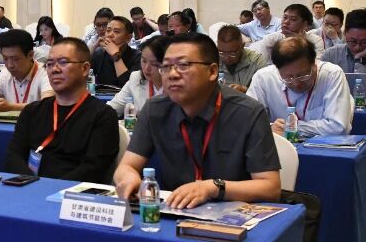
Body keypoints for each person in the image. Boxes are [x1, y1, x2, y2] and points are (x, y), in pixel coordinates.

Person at [113, 32, 282, 206]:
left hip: (232, 212)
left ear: (212, 71)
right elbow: (126, 166)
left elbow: (270, 188)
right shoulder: (154, 110)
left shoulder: (247, 112)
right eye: (166, 67)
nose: (172, 74)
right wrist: (128, 178)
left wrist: (213, 187)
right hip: (176, 209)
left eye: (183, 65)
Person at [4, 37, 120, 181]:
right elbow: (13, 156)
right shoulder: (32, 111)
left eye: (63, 62)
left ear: (84, 68)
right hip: (29, 186)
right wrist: (32, 184)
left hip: (71, 191)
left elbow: (93, 168)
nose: (55, 69)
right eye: (50, 64)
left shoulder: (102, 115)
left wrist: (51, 188)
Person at [246, 36, 352, 138]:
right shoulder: (263, 78)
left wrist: (291, 128)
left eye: (303, 76)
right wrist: (269, 128)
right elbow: (248, 122)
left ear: (314, 63)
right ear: (277, 69)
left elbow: (339, 127)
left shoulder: (332, 74)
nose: (296, 83)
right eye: (288, 78)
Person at [0, 29, 53, 112]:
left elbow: (47, 105)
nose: (10, 65)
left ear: (30, 55)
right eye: (5, 58)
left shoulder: (46, 73)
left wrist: (11, 107)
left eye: (15, 59)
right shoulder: (5, 73)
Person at [108, 34, 167, 116]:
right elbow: (114, 106)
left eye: (154, 64)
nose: (147, 68)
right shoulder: (136, 77)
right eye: (144, 61)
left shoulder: (175, 85)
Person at [254, 3, 324, 59]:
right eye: (285, 17)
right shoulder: (271, 39)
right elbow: (263, 65)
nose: (286, 22)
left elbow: (316, 64)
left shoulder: (315, 40)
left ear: (304, 24)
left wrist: (300, 42)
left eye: (293, 19)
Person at [90, 15, 140, 88]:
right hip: (102, 94)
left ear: (128, 38)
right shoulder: (99, 54)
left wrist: (115, 55)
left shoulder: (137, 57)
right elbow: (86, 79)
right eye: (108, 30)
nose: (110, 35)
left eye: (116, 32)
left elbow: (129, 87)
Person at [215, 24, 267, 93]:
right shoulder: (212, 60)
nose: (226, 57)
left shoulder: (256, 62)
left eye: (232, 53)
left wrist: (246, 91)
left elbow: (266, 91)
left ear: (242, 46)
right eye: (221, 52)